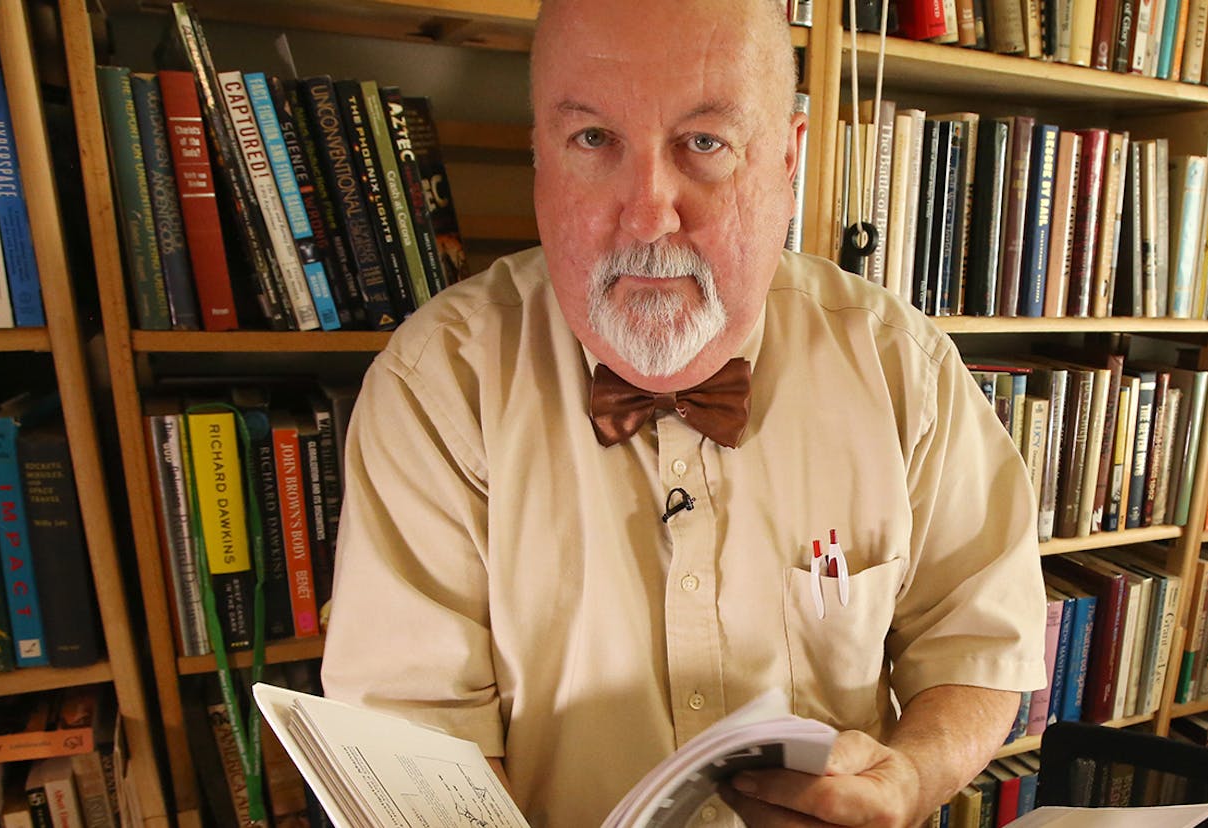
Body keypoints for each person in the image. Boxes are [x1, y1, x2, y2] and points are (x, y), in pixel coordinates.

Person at [321, 0, 1047, 825]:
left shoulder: (901, 366)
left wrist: (912, 777)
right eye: (593, 140)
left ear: (786, 160)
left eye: (704, 143)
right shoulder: (435, 384)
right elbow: (416, 738)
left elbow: (979, 641)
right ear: (540, 162)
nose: (648, 213)